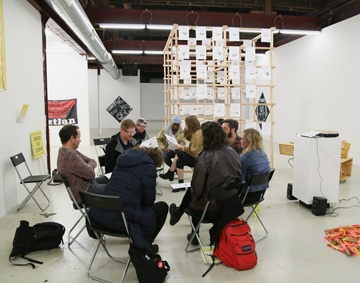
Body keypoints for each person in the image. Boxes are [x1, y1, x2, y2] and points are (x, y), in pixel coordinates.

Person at [168, 121, 242, 244]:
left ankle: (194, 234)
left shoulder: (204, 156)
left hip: (210, 210)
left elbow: (197, 190)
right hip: (230, 207)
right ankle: (179, 214)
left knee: (194, 194)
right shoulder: (233, 152)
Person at [88, 147, 169, 254]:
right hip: (122, 221)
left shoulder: (121, 162)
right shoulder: (149, 168)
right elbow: (149, 201)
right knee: (161, 207)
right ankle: (144, 245)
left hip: (100, 216)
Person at [57, 124, 108, 202]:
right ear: (71, 139)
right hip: (85, 193)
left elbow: (92, 161)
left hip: (87, 185)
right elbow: (91, 174)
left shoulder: (67, 151)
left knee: (110, 179)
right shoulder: (70, 156)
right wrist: (88, 167)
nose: (80, 140)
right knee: (117, 187)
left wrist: (87, 166)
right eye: (78, 137)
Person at [159, 115, 203, 186]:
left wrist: (182, 147)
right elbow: (188, 138)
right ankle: (180, 184)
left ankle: (171, 172)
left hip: (198, 159)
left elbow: (194, 152)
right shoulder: (195, 132)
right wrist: (186, 129)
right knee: (179, 161)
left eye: (186, 124)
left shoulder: (198, 134)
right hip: (194, 156)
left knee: (179, 154)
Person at [240, 128, 271, 204]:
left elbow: (241, 181)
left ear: (249, 141)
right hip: (260, 194)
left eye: (242, 139)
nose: (240, 141)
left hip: (246, 196)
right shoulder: (264, 154)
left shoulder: (245, 158)